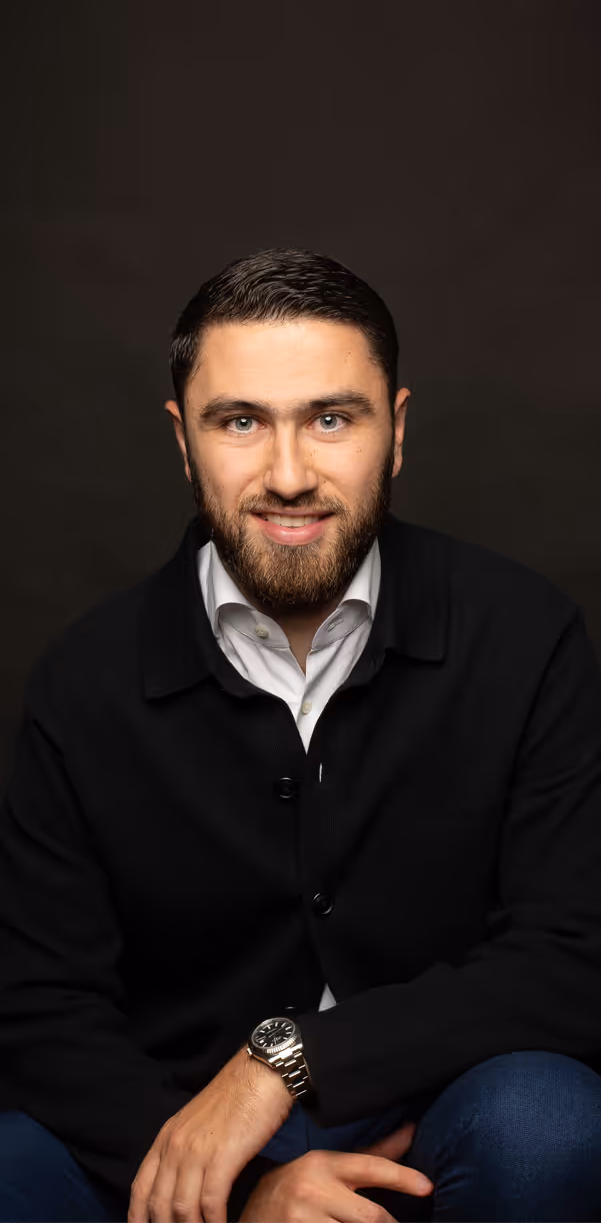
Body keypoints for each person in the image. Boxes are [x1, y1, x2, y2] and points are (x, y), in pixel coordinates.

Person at [1, 247, 601, 1223]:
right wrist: (241, 1188)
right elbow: (39, 1008)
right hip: (179, 1111)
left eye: (331, 417)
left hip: (445, 1091)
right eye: (240, 421)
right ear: (184, 442)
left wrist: (288, 1059)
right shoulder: (83, 679)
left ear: (395, 431)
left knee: (549, 1121)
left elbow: (574, 956)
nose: (288, 475)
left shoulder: (524, 633)